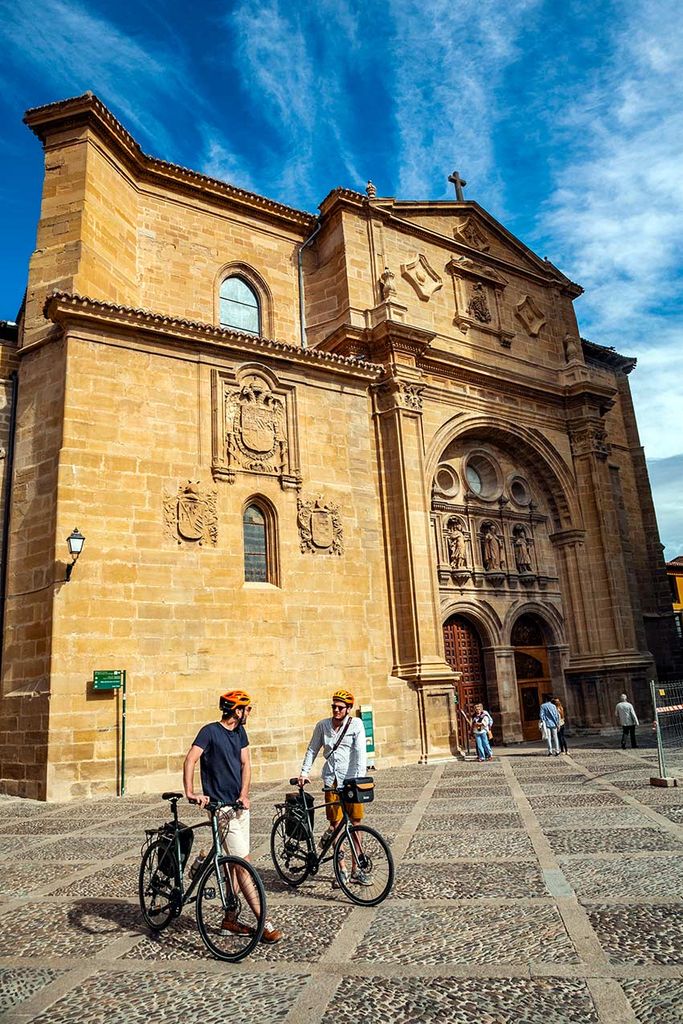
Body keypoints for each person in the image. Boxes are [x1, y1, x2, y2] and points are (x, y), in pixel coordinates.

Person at [183, 690, 282, 943]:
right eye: (246, 709)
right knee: (243, 865)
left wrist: (245, 794)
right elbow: (191, 760)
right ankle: (264, 922)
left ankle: (229, 918)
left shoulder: (240, 732)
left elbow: (246, 764)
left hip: (239, 807)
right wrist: (191, 792)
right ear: (236, 711)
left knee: (232, 866)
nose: (249, 712)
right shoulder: (210, 732)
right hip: (220, 809)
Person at [298, 688, 369, 886]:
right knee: (336, 824)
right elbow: (312, 749)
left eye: (340, 707)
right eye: (334, 707)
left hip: (351, 780)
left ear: (348, 709)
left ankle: (357, 868)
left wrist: (359, 780)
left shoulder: (356, 725)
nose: (336, 710)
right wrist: (304, 773)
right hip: (331, 781)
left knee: (355, 823)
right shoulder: (322, 726)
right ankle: (342, 869)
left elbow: (360, 753)